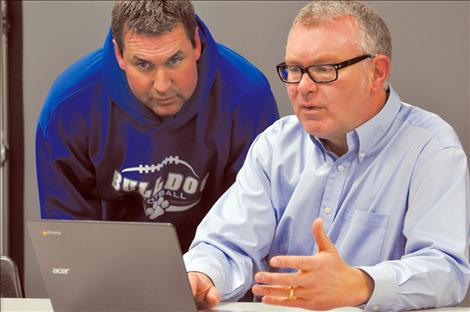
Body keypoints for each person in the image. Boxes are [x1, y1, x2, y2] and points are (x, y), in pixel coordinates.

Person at [184, 1, 470, 311]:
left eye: (324, 70)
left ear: (377, 72)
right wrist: (202, 274)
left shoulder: (430, 148)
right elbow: (226, 245)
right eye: (294, 70)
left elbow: (447, 269)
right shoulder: (277, 145)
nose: (303, 87)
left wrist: (361, 283)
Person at [36, 0, 279, 252]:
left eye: (175, 60)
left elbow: (252, 228)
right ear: (119, 54)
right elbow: (70, 242)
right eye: (143, 64)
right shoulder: (68, 107)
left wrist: (207, 276)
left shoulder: (248, 97)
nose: (162, 85)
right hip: (109, 274)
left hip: (220, 274)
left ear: (196, 44)